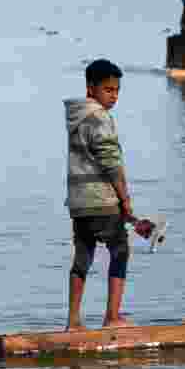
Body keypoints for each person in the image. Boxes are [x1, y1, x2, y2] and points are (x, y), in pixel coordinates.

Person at [63, 58, 134, 331]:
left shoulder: (75, 116)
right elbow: (111, 162)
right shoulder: (100, 117)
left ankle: (72, 322)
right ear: (90, 88)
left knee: (82, 257)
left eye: (117, 90)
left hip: (79, 203)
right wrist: (125, 199)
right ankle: (112, 318)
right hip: (102, 200)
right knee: (120, 251)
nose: (113, 96)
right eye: (108, 90)